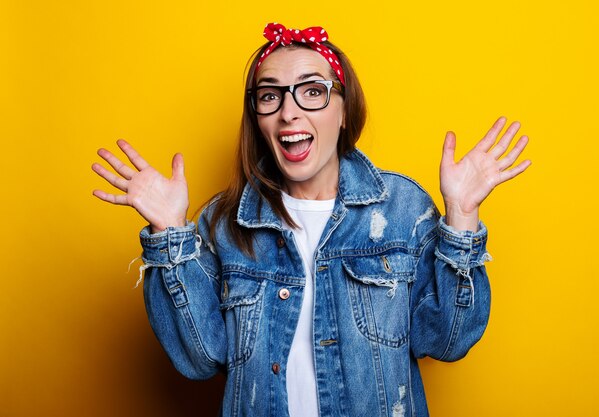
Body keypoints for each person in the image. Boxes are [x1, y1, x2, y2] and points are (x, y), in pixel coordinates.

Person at [92, 22, 530, 417]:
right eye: (270, 95)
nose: (288, 111)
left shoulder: (401, 210)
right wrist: (169, 235)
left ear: (343, 111)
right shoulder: (223, 223)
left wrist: (463, 219)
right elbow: (200, 359)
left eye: (312, 90)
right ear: (257, 118)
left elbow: (448, 341)